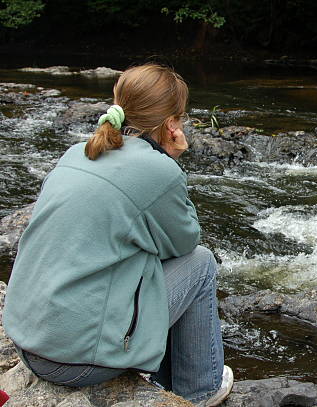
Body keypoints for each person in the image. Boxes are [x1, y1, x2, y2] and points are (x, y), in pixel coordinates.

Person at [3, 63, 233, 406]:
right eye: (181, 118)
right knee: (200, 263)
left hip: (27, 342)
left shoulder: (77, 152)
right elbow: (185, 242)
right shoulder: (158, 169)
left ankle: (164, 375)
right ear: (172, 124)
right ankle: (199, 390)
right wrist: (171, 161)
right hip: (73, 362)